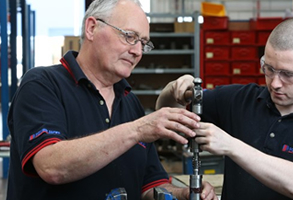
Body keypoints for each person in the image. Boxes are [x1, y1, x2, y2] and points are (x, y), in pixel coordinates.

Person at [6, 0, 218, 199]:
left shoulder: (130, 103)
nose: (137, 51)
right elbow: (51, 166)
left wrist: (183, 194)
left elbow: (149, 185)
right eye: (129, 36)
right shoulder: (42, 85)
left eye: (143, 43)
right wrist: (137, 130)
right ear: (91, 28)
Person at [156, 17, 293, 200]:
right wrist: (174, 90)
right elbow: (167, 120)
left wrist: (231, 145)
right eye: (269, 69)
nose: (274, 83)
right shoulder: (239, 99)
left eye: (287, 74)